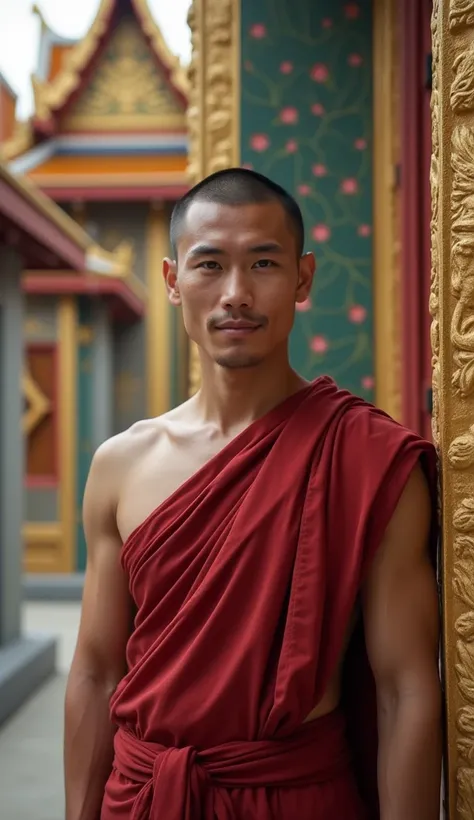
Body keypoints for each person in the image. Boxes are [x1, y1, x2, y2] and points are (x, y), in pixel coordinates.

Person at [64, 168, 442, 820]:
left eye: (263, 262)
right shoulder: (121, 466)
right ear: (172, 279)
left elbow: (405, 688)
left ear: (302, 277)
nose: (236, 293)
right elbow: (96, 672)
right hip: (145, 798)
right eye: (209, 264)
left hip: (294, 798)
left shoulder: (368, 457)